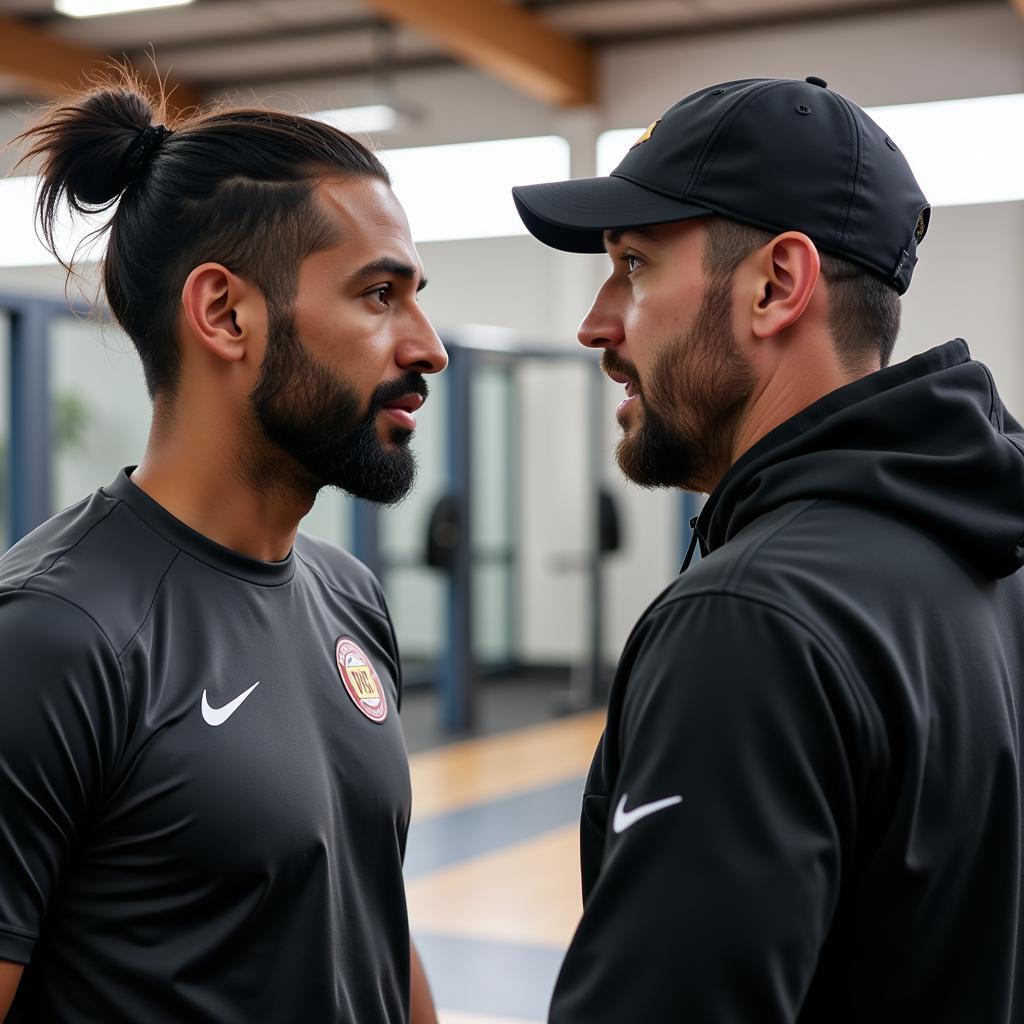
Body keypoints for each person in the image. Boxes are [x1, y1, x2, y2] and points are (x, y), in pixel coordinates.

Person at [512, 76, 1024, 1022]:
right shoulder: (996, 556)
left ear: (777, 286)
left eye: (633, 265)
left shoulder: (751, 622)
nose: (595, 324)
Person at [0, 72, 447, 1023]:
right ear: (224, 313)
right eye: (379, 295)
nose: (426, 346)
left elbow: (364, 913)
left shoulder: (349, 596)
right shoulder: (51, 637)